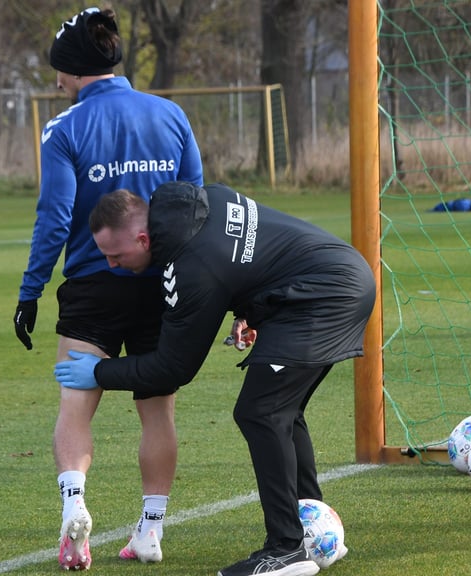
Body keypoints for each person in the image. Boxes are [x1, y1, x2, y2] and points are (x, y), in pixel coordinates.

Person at [54, 182, 376, 576]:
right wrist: (251, 310)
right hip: (332, 279)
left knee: (261, 412)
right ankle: (312, 525)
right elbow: (251, 258)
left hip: (323, 298)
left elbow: (174, 368)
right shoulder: (201, 198)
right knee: (282, 411)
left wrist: (99, 371)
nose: (112, 265)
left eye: (116, 255)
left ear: (142, 238)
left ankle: (286, 549)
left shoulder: (189, 268)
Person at [12, 6, 203, 571]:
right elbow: (195, 207)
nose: (56, 81)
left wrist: (31, 291)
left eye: (58, 72)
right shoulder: (171, 114)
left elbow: (54, 218)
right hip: (159, 284)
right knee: (158, 414)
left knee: (76, 405)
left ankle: (75, 506)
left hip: (94, 285)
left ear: (72, 70)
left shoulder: (65, 128)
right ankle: (150, 530)